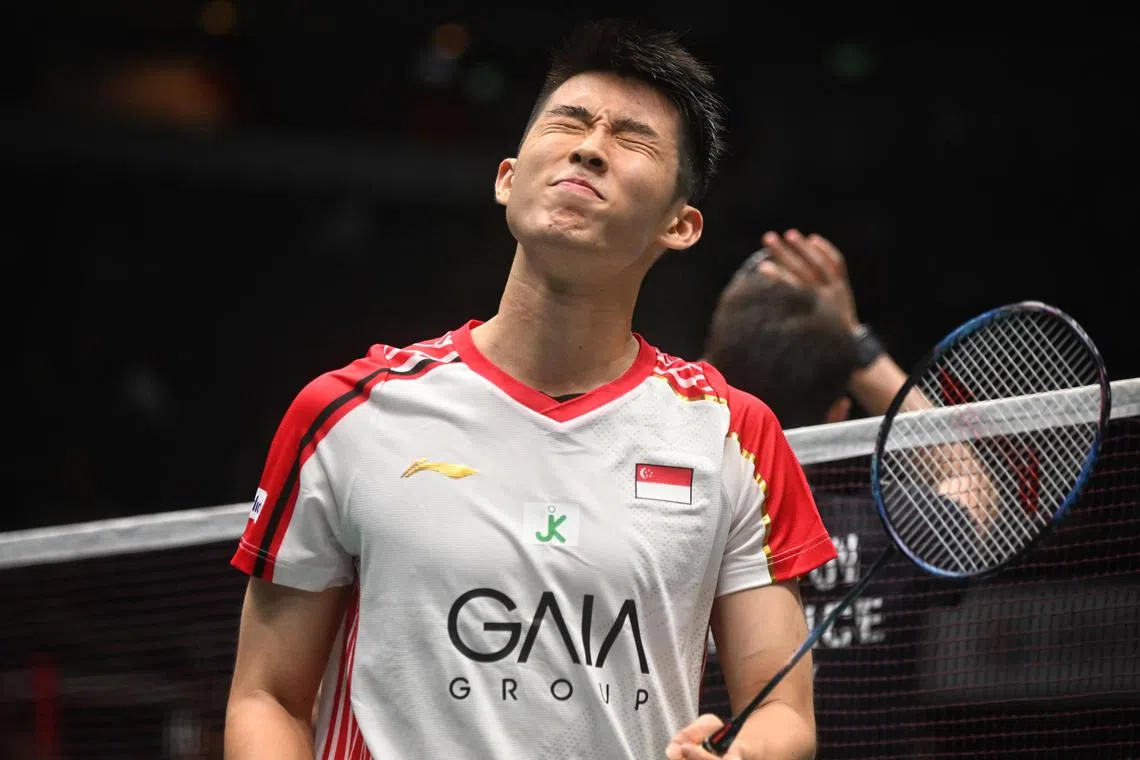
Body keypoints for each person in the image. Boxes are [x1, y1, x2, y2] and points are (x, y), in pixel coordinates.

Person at [223, 19, 837, 760]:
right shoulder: (346, 414)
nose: (588, 147)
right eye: (569, 122)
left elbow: (783, 713)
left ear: (680, 224)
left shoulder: (735, 437)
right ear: (508, 177)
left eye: (632, 139)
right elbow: (268, 697)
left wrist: (745, 755)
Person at [700, 230, 975, 758]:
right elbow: (965, 477)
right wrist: (856, 341)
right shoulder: (898, 527)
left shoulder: (677, 516)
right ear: (839, 414)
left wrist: (717, 364)